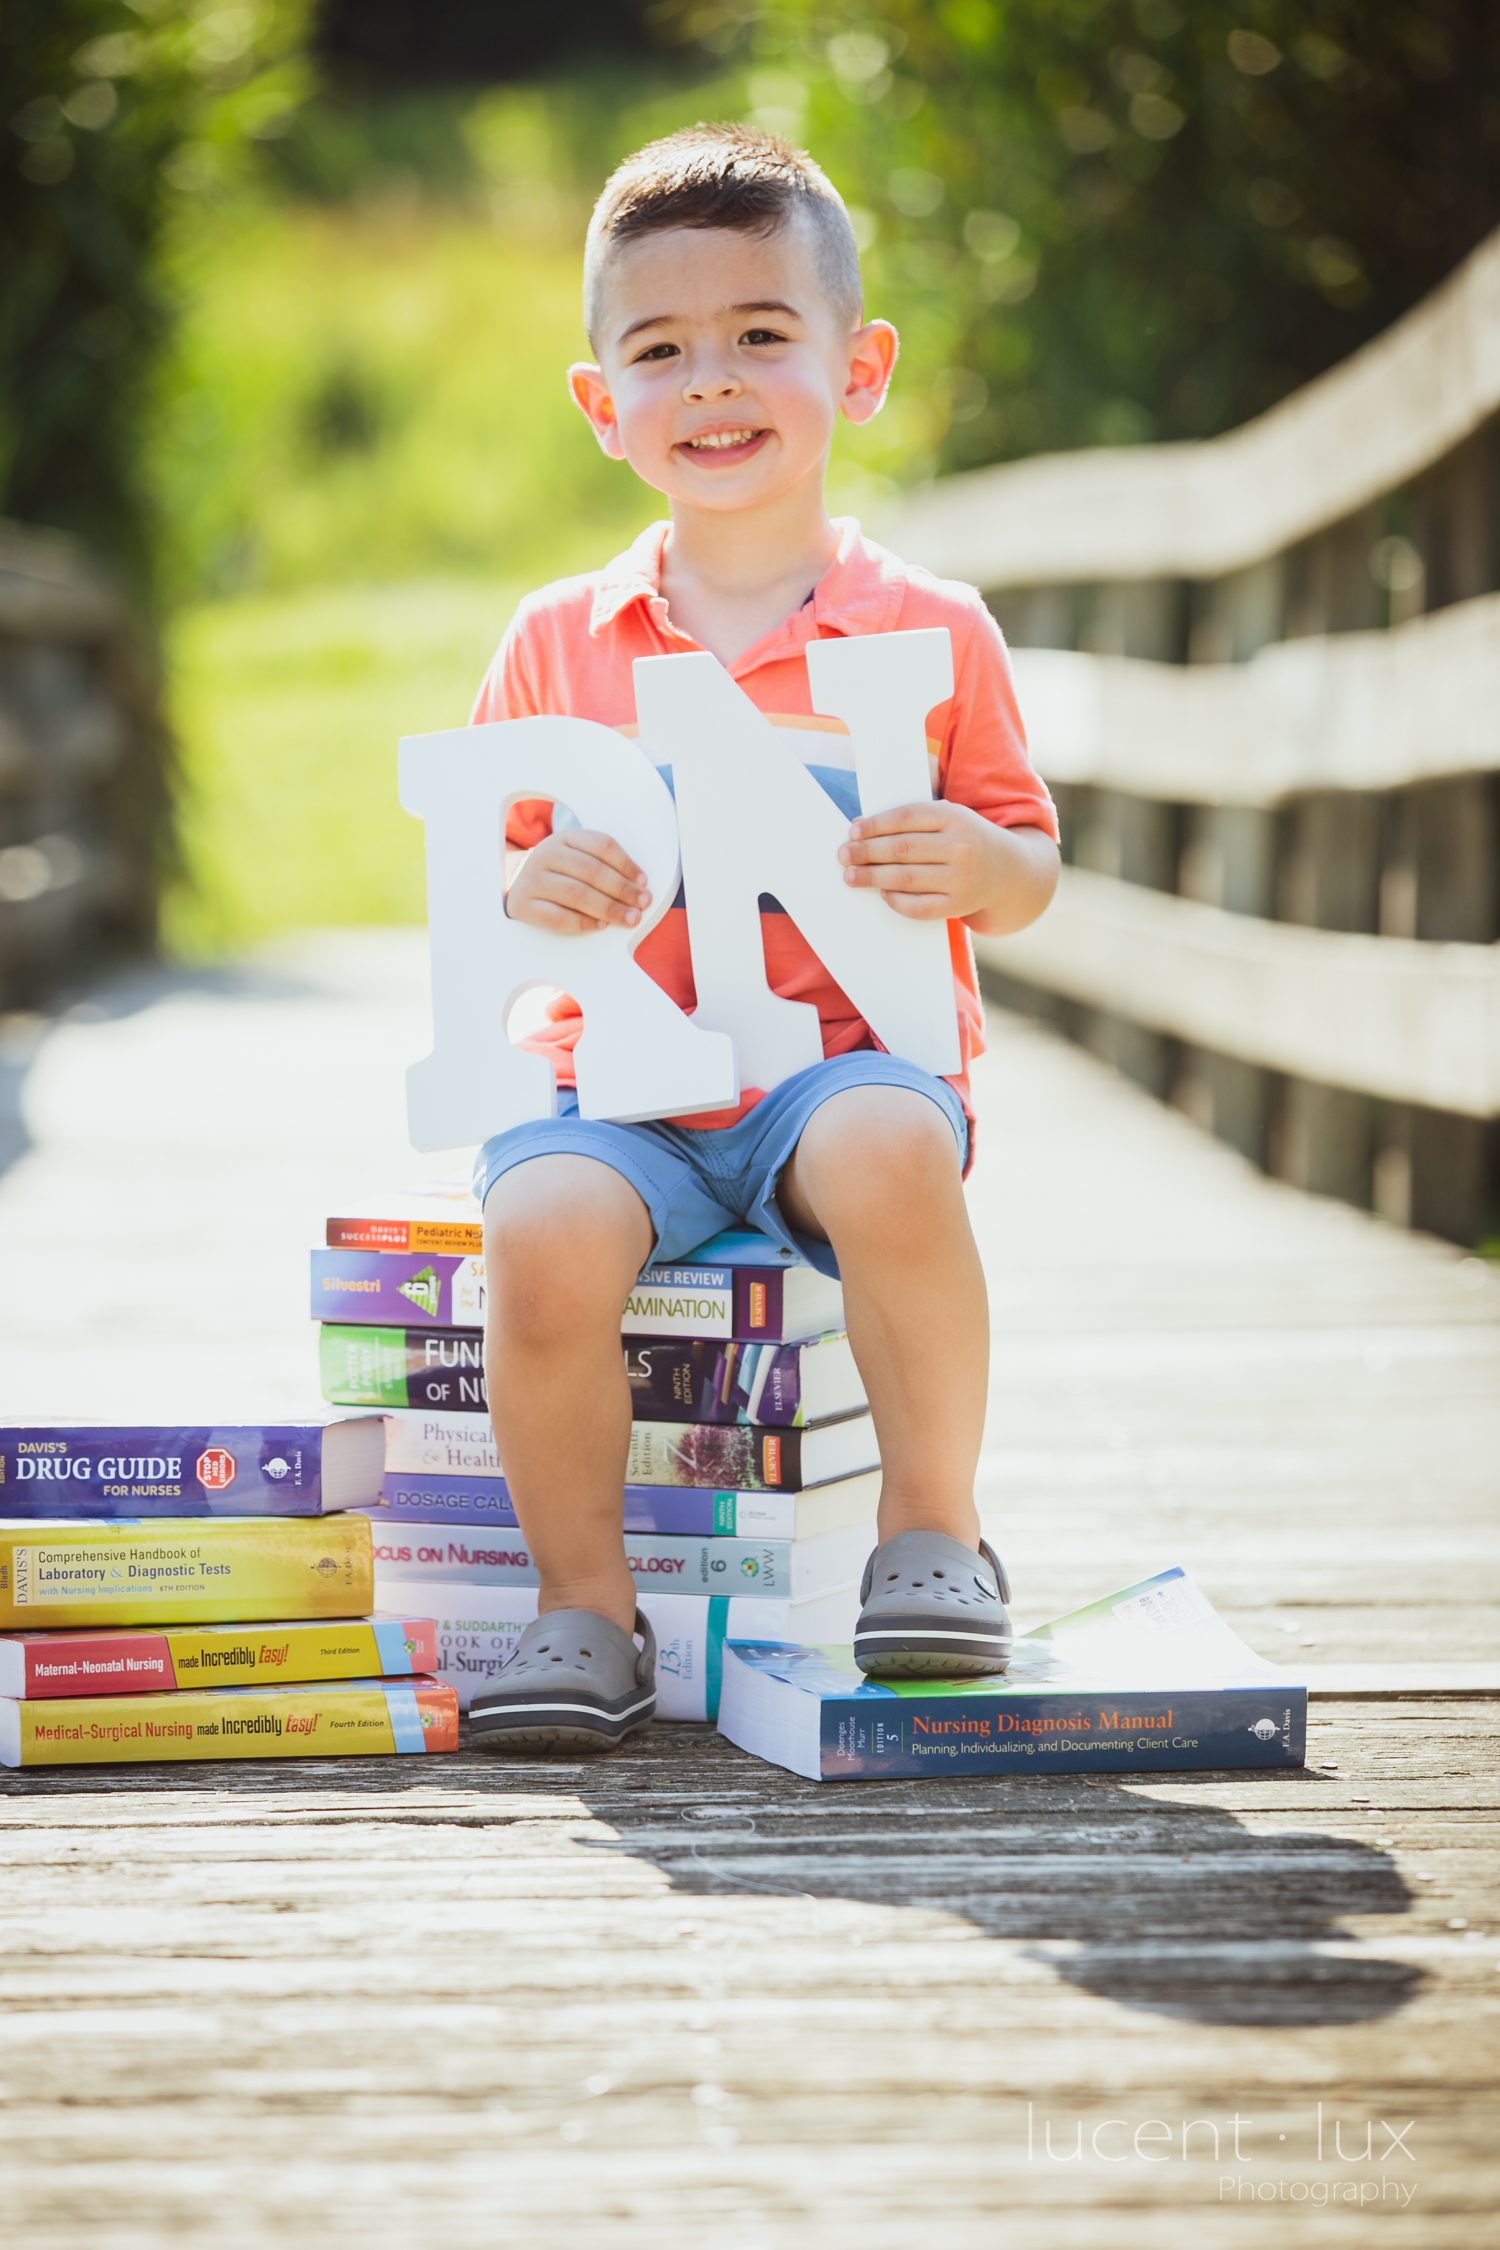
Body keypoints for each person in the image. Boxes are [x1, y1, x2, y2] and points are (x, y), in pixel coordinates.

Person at [465, 123, 1059, 1754]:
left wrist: (978, 857)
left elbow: (1032, 869)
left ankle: (932, 1530)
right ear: (603, 407)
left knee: (888, 1151)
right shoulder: (553, 640)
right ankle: (586, 1607)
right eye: (660, 350)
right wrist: (538, 892)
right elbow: (494, 876)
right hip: (627, 1083)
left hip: (835, 1065)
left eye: (760, 335)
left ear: (857, 369)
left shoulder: (928, 630)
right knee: (540, 1231)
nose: (711, 381)